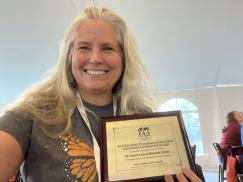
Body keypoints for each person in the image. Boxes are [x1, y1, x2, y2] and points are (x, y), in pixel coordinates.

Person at [0, 6, 202, 182]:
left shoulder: (142, 115)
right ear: (69, 56)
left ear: (124, 58)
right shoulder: (34, 113)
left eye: (107, 48)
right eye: (84, 47)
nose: (95, 59)